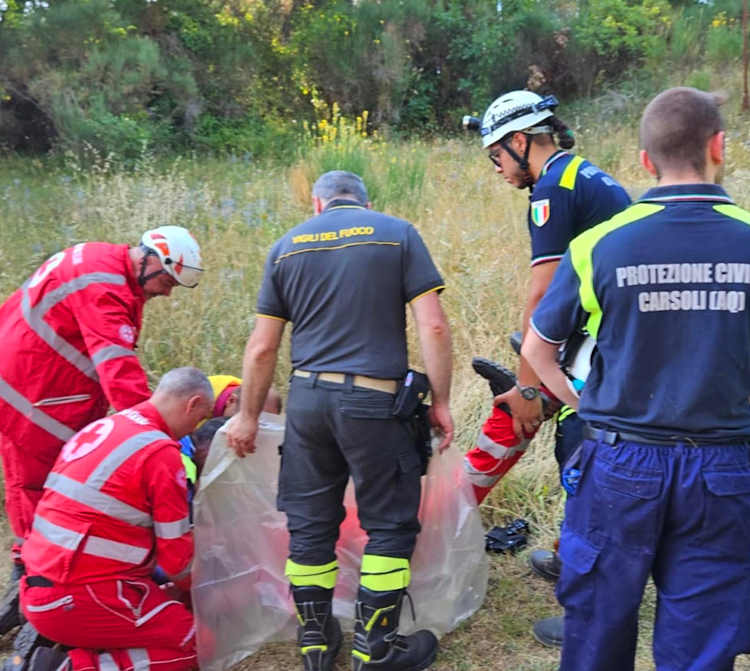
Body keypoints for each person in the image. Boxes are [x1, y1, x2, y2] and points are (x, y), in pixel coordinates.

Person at [523, 86, 750, 671]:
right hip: (725, 468)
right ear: (719, 147)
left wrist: (582, 404)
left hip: (620, 465)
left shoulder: (598, 244)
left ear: (645, 160)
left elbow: (538, 348)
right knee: (701, 641)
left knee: (597, 629)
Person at [227, 170, 453, 671]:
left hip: (308, 399)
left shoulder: (285, 248)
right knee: (390, 526)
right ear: (365, 202)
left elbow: (263, 347)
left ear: (317, 204)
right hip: (375, 402)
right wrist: (441, 401)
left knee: (311, 526)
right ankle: (377, 648)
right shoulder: (397, 234)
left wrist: (247, 416)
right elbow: (432, 324)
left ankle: (315, 643)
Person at [461, 90, 630, 646]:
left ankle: (591, 611)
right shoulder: (584, 175)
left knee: (581, 459)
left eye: (495, 155)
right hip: (611, 341)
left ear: (519, 141)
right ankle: (569, 557)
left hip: (602, 351)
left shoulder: (552, 190)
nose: (496, 168)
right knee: (584, 458)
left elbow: (542, 292)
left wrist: (529, 388)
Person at [0, 225, 203, 637]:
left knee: (55, 491)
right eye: (166, 281)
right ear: (149, 258)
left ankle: (37, 590)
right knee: (40, 493)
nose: (166, 293)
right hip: (35, 397)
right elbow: (120, 372)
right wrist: (157, 438)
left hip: (45, 388)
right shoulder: (105, 285)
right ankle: (34, 597)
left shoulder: (107, 267)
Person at [17, 367, 214, 671]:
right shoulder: (159, 451)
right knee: (200, 643)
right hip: (78, 594)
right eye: (198, 419)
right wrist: (210, 589)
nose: (192, 430)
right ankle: (70, 667)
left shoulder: (109, 426)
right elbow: (177, 561)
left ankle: (69, 650)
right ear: (192, 404)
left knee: (166, 609)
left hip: (41, 583)